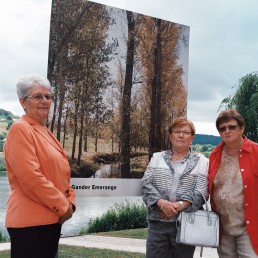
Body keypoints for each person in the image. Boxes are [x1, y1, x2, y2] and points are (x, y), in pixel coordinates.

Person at [4, 74, 76, 258]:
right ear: (23, 102)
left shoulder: (45, 131)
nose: (44, 101)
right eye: (37, 96)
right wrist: (62, 206)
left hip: (50, 221)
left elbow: (62, 175)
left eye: (48, 96)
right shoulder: (19, 129)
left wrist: (71, 204)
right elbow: (31, 178)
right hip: (30, 226)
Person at [141, 117, 209, 258]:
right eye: (177, 131)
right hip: (157, 222)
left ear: (192, 138)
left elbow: (201, 191)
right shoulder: (157, 157)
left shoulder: (202, 161)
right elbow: (146, 183)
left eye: (186, 132)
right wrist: (162, 204)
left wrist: (177, 207)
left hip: (186, 223)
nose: (181, 135)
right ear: (171, 136)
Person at [209, 109, 258, 258]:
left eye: (232, 127)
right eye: (222, 128)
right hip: (224, 228)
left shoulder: (255, 152)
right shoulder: (215, 155)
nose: (227, 131)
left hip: (249, 227)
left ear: (241, 128)